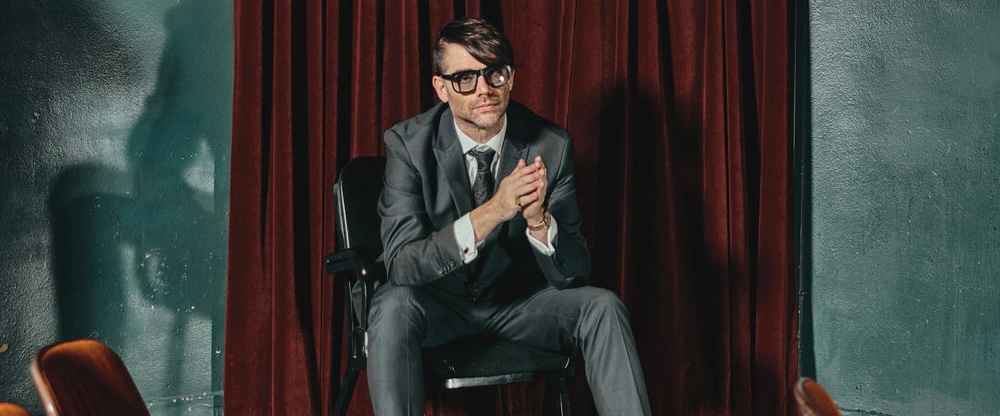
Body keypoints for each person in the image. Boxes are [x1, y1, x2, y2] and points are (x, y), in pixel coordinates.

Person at [368, 16, 652, 415]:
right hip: (438, 303)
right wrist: (492, 212)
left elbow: (574, 274)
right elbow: (402, 265)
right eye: (465, 79)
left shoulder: (551, 146)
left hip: (518, 304)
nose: (484, 89)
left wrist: (539, 222)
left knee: (603, 306)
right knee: (391, 305)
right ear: (441, 88)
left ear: (511, 78)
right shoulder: (408, 144)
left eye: (494, 73)